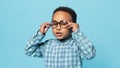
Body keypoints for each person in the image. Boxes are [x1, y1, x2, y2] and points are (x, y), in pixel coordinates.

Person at [25, 6, 96, 68]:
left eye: (63, 24)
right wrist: (40, 34)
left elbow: (90, 54)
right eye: (54, 23)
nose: (58, 28)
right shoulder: (47, 45)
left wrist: (77, 32)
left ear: (72, 26)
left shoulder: (77, 45)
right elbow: (29, 50)